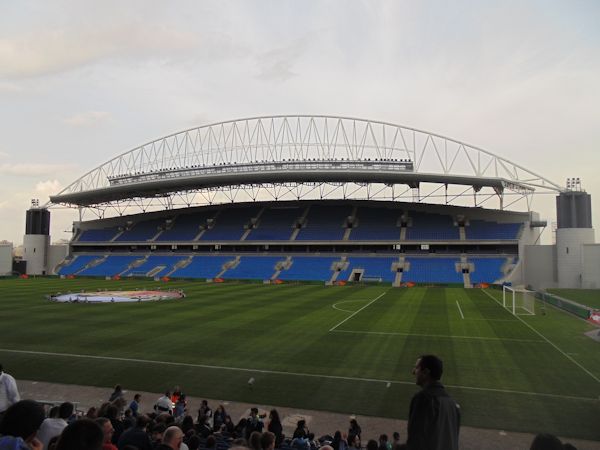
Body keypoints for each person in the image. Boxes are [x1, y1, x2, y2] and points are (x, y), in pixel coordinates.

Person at [405, 355, 460, 450]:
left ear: (426, 372)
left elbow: (416, 443)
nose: (413, 372)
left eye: (417, 368)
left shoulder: (423, 399)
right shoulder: (453, 404)